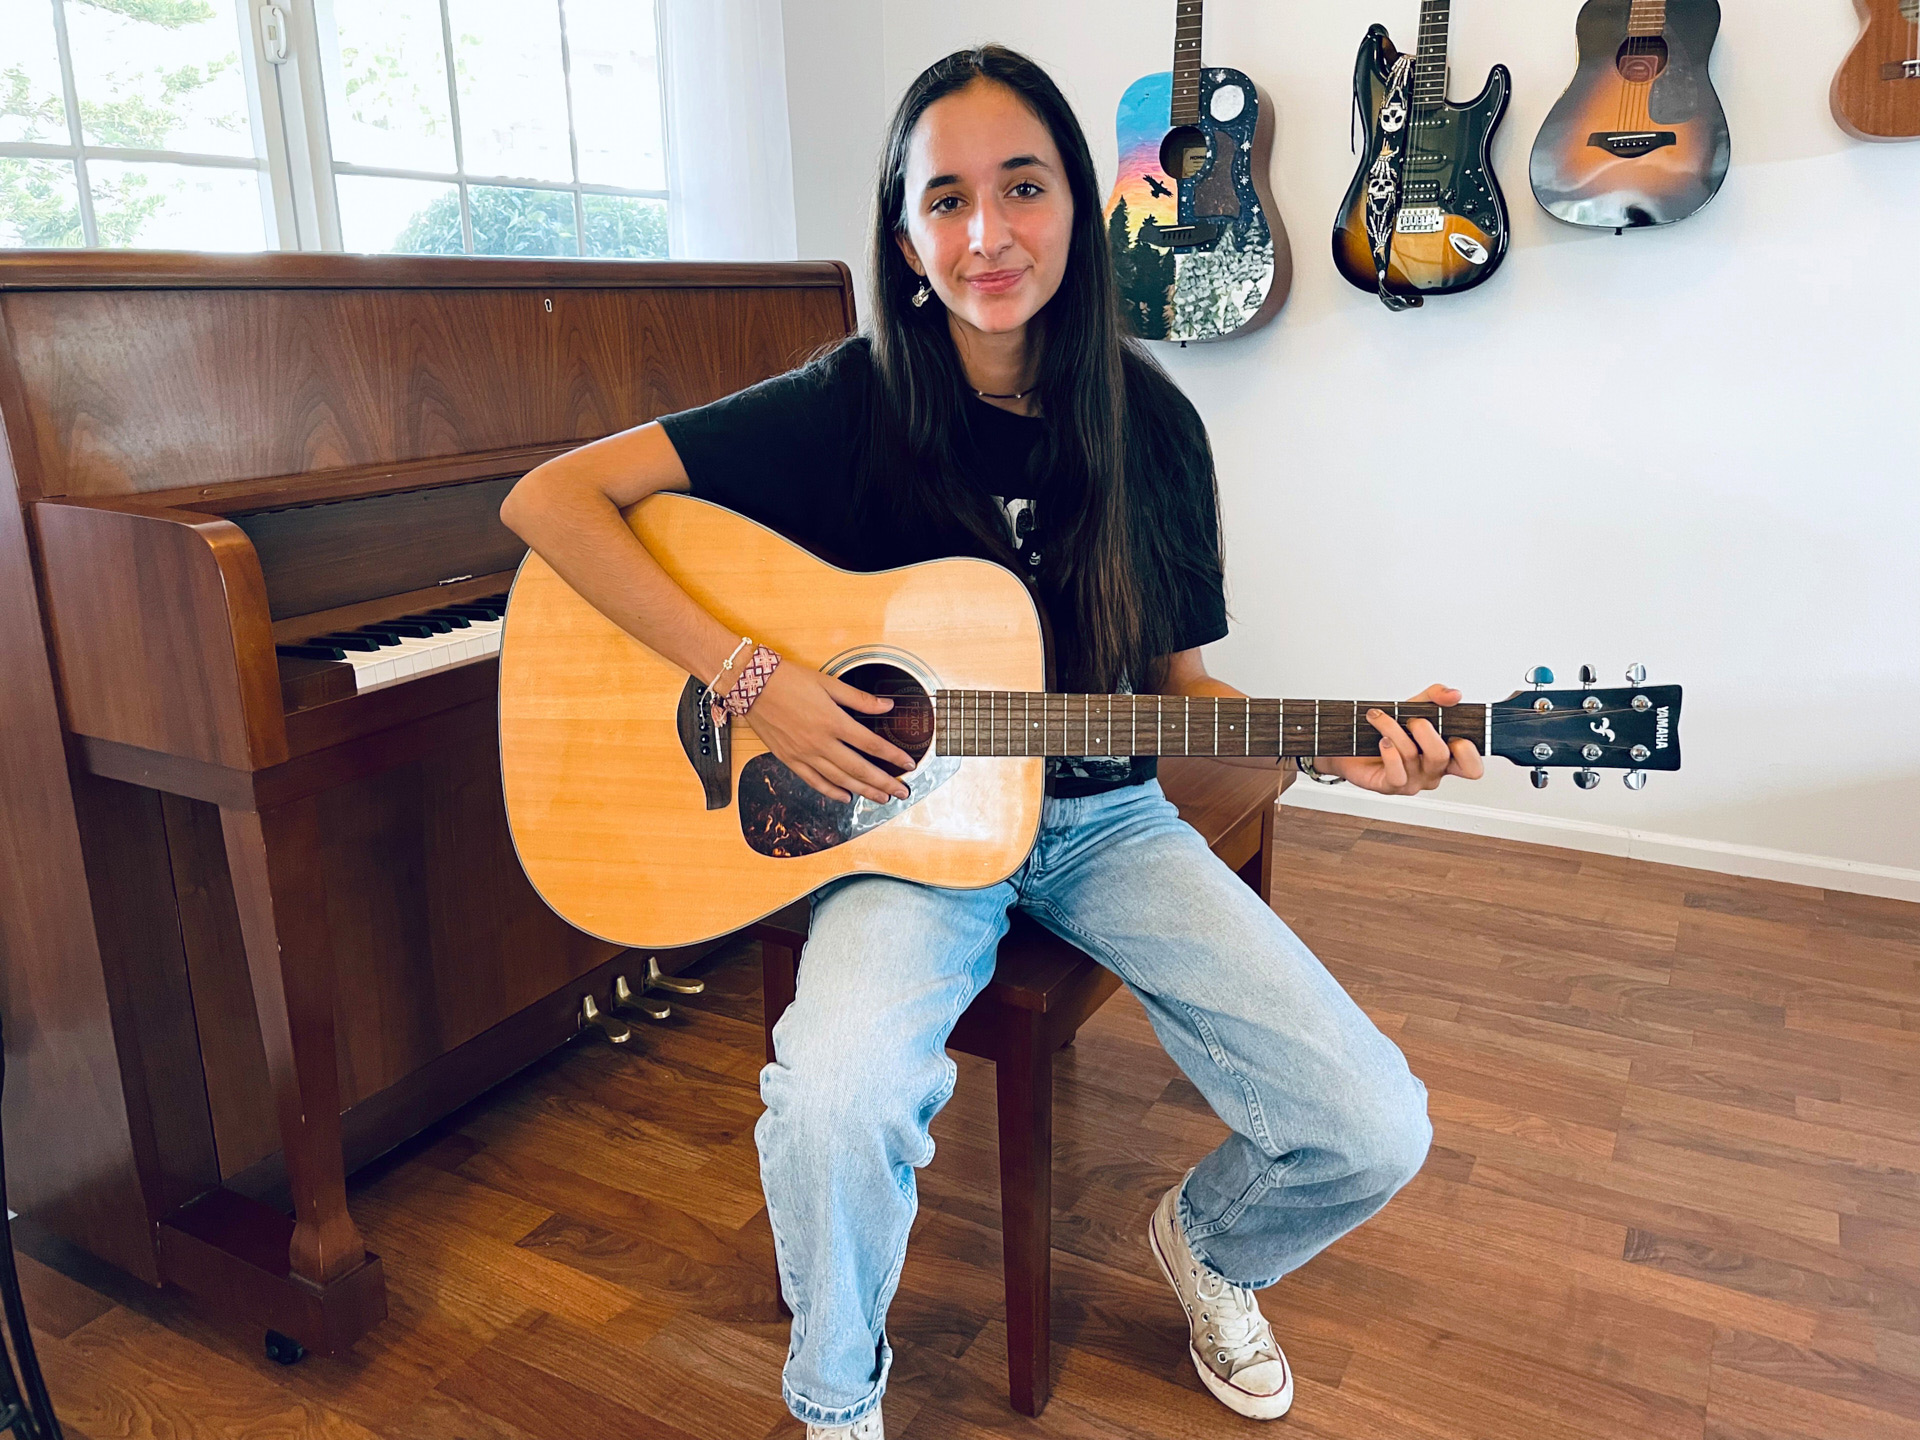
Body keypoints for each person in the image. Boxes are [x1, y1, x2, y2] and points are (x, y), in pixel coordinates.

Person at [500, 44, 1483, 1440]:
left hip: (1104, 821)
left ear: (1079, 205)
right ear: (905, 238)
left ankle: (1211, 1246)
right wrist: (754, 677)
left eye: (1022, 187)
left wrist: (1337, 747)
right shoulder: (844, 405)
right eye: (945, 199)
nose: (986, 234)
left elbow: (1184, 690)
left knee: (1376, 1124)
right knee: (834, 1100)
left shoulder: (1154, 430)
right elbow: (551, 501)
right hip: (908, 834)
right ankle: (834, 1401)